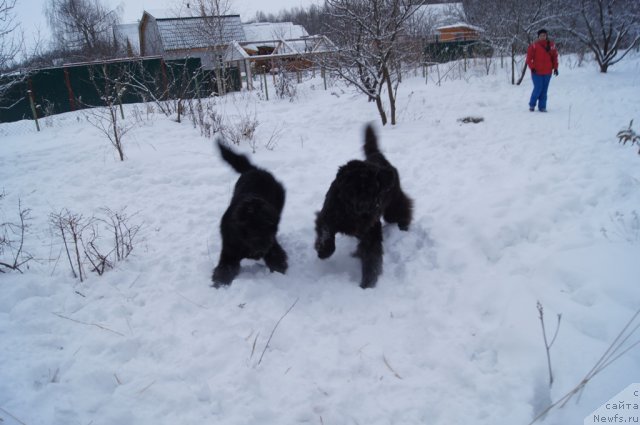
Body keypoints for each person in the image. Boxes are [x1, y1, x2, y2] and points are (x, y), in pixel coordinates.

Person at [526, 29, 559, 112]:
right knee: (538, 88)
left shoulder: (551, 45)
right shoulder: (534, 46)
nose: (543, 37)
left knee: (544, 90)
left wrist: (555, 68)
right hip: (536, 72)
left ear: (546, 36)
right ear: (538, 36)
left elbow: (554, 57)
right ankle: (532, 105)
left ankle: (542, 107)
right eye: (541, 36)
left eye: (544, 35)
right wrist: (532, 67)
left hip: (547, 72)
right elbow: (529, 59)